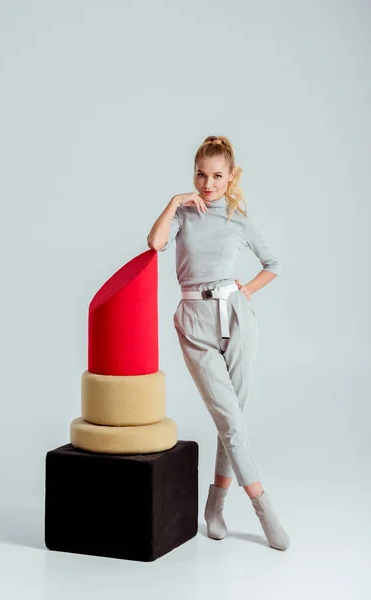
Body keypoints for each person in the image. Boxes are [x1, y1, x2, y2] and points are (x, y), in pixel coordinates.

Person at [146, 135, 290, 551]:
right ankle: (264, 510)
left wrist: (246, 292)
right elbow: (155, 244)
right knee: (230, 420)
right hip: (193, 321)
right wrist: (174, 201)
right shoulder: (186, 214)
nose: (207, 183)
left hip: (237, 319)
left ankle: (216, 506)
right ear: (194, 174)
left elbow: (273, 264)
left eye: (216, 176)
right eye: (200, 174)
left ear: (230, 178)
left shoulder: (236, 216)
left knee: (234, 422)